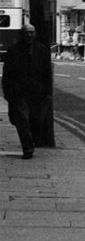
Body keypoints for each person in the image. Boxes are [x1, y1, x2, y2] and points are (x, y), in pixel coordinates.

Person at [2, 23, 52, 159]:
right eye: (26, 33)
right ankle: (28, 148)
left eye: (31, 32)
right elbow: (6, 73)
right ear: (22, 34)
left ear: (35, 34)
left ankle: (31, 141)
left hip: (37, 92)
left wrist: (48, 92)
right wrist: (7, 91)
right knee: (22, 120)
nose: (29, 35)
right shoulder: (13, 51)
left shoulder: (42, 50)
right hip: (19, 92)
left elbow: (47, 73)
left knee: (36, 120)